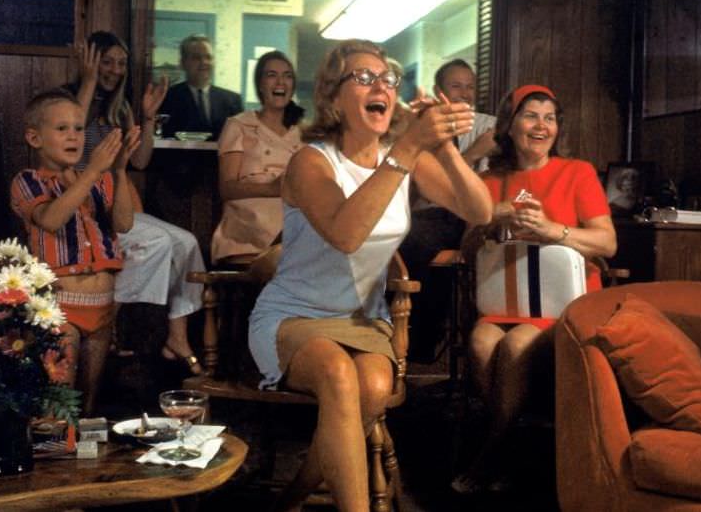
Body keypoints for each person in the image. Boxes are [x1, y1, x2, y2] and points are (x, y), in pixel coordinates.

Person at [247, 39, 493, 511]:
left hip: (364, 319)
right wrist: (407, 149)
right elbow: (345, 233)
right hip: (293, 316)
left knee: (374, 388)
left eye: (386, 78)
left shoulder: (404, 157)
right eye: (362, 77)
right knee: (339, 377)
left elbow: (479, 210)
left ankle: (292, 496)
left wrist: (442, 148)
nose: (379, 85)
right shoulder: (311, 161)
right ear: (333, 97)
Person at [453, 84, 616, 494]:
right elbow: (466, 249)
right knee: (480, 342)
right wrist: (492, 218)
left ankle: (492, 453)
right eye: (530, 115)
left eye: (550, 117)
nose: (541, 125)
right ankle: (511, 444)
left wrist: (553, 231)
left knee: (515, 346)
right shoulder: (490, 180)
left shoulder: (577, 172)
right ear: (509, 125)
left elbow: (607, 243)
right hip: (504, 297)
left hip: (562, 303)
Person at [70, 31, 206, 373]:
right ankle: (107, 322)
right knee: (157, 242)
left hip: (115, 207)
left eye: (120, 63)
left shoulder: (120, 109)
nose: (114, 70)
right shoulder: (68, 101)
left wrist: (146, 119)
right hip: (82, 211)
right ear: (90, 61)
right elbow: (71, 141)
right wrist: (87, 82)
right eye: (107, 61)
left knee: (187, 243)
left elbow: (141, 161)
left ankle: (177, 335)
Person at [11, 89, 141, 416]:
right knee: (59, 400)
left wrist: (120, 172)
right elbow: (52, 219)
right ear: (34, 138)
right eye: (62, 129)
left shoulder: (97, 180)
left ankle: (82, 458)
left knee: (88, 401)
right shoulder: (29, 181)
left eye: (79, 129)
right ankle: (54, 453)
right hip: (61, 306)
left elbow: (124, 223)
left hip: (101, 305)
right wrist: (95, 171)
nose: (73, 136)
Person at [399, 58, 497, 362]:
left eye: (470, 87)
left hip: (472, 217)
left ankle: (417, 345)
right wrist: (472, 154)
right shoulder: (421, 129)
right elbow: (425, 184)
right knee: (402, 236)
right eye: (456, 86)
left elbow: (474, 196)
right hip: (425, 211)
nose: (465, 93)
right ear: (439, 91)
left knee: (416, 238)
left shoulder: (490, 126)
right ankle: (406, 337)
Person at [212, 50, 305, 263]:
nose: (280, 82)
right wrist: (271, 188)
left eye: (287, 76)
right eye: (272, 75)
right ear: (260, 84)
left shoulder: (304, 133)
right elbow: (226, 188)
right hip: (248, 224)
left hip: (292, 215)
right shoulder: (238, 125)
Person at [160, 34, 243, 139]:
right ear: (182, 63)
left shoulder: (233, 100)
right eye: (196, 58)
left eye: (208, 57)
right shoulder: (167, 97)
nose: (204, 62)